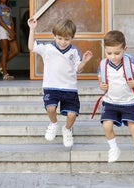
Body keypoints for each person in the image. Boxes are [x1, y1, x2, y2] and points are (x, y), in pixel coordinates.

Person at [27, 18, 93, 147]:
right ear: (54, 36)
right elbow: (31, 46)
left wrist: (84, 61)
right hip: (51, 87)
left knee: (72, 114)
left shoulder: (74, 51)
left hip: (69, 89)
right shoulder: (47, 48)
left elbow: (78, 69)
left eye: (67, 39)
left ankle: (67, 129)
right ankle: (53, 123)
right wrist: (32, 29)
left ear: (72, 38)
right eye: (60, 38)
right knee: (50, 108)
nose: (63, 42)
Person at [98, 30, 134, 170]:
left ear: (124, 49)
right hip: (110, 101)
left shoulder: (130, 62)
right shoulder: (103, 64)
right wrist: (101, 85)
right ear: (105, 50)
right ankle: (114, 148)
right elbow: (100, 78)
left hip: (129, 102)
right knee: (107, 125)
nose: (113, 57)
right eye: (109, 53)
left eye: (117, 53)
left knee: (133, 127)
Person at [0, 0, 19, 80]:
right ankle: (5, 74)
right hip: (2, 29)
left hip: (10, 29)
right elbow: (0, 21)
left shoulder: (8, 8)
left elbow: (11, 20)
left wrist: (12, 31)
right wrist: (9, 30)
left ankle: (0, 65)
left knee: (16, 51)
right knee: (5, 52)